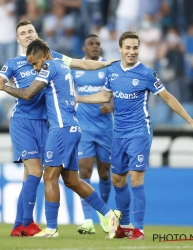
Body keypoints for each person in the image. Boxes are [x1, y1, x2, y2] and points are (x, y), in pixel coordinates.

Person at [0, 38, 121, 239]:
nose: (34, 68)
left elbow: (27, 94)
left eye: (35, 63)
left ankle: (51, 229)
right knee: (72, 181)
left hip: (60, 128)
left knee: (49, 176)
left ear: (43, 54)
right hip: (73, 127)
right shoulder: (62, 66)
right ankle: (109, 215)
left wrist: (2, 86)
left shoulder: (49, 67)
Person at [76, 31, 193, 240]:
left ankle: (138, 229)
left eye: (135, 48)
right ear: (120, 49)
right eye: (128, 48)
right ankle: (125, 226)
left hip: (139, 132)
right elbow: (104, 96)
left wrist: (191, 121)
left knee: (136, 178)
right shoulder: (112, 71)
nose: (132, 52)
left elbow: (167, 98)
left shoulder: (147, 73)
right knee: (117, 180)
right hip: (118, 133)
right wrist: (78, 97)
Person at [0, 19, 63, 237]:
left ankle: (18, 226)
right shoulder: (14, 63)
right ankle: (28, 223)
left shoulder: (52, 59)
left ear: (37, 34)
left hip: (45, 123)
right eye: (23, 33)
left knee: (31, 176)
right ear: (17, 40)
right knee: (36, 171)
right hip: (23, 122)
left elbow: (76, 65)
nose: (27, 35)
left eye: (30, 31)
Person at [71, 34, 113, 234]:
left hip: (105, 129)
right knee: (84, 171)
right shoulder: (75, 70)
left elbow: (118, 95)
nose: (95, 47)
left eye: (98, 44)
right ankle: (87, 220)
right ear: (84, 48)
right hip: (84, 127)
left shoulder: (108, 68)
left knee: (105, 173)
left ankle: (103, 214)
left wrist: (111, 105)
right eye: (91, 44)